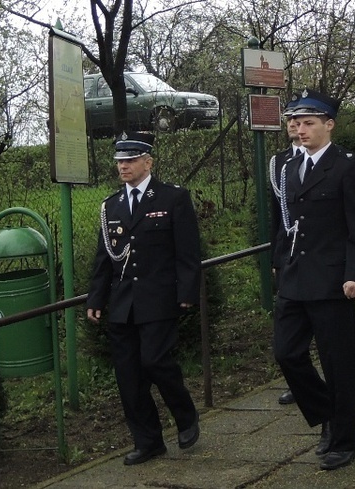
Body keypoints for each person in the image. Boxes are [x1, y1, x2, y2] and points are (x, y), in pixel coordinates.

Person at [271, 88, 355, 471]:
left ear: (328, 125)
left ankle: (345, 440)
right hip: (296, 277)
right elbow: (285, 223)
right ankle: (326, 415)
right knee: (287, 353)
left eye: (309, 124)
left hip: (332, 280)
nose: (301, 131)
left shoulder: (348, 166)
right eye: (297, 124)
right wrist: (279, 261)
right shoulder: (289, 167)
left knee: (338, 363)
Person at [87, 131, 201, 466]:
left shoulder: (171, 199)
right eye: (120, 161)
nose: (123, 166)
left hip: (159, 298)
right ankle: (148, 440)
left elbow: (188, 252)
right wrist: (96, 298)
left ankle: (185, 414)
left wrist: (187, 294)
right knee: (129, 377)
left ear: (147, 162)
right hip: (123, 303)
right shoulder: (111, 206)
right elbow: (103, 258)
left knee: (155, 361)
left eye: (130, 160)